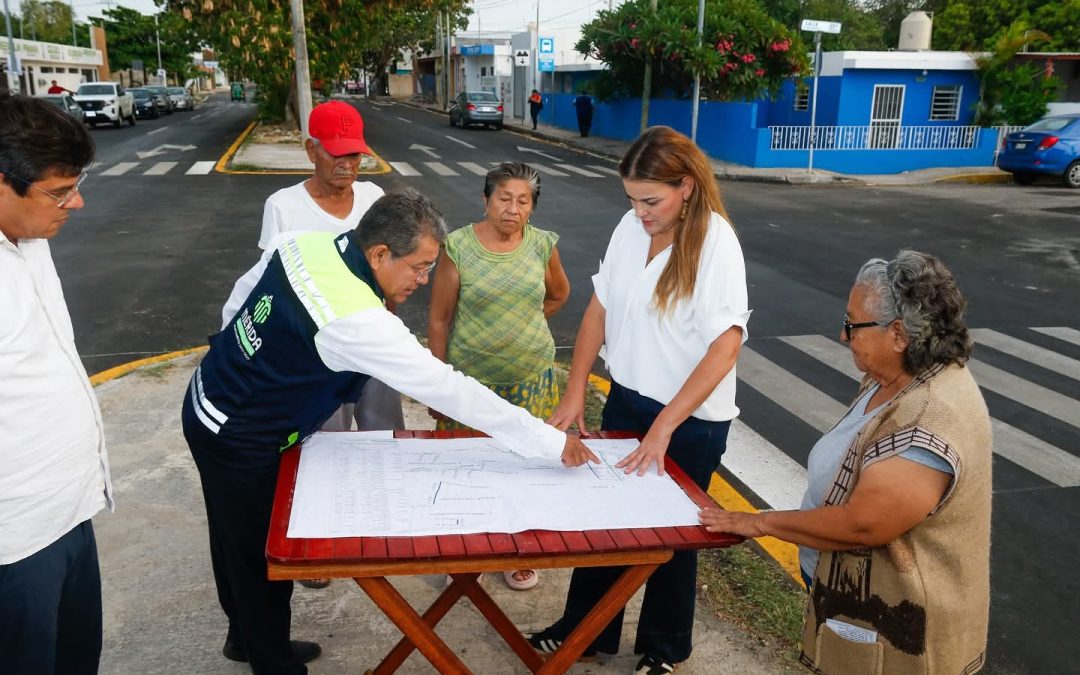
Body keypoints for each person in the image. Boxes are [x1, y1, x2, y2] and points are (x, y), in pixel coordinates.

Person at [183, 188, 598, 675]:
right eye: (419, 267)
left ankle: (246, 639)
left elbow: (239, 302)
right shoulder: (357, 318)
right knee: (259, 557)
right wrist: (551, 442)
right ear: (379, 253)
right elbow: (452, 390)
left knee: (231, 536)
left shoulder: (305, 243)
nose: (424, 280)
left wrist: (239, 360)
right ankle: (271, 661)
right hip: (236, 430)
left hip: (211, 395)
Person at [701, 251, 992, 675]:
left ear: (898, 334)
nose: (842, 334)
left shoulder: (930, 414)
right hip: (865, 602)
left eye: (853, 324)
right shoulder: (893, 379)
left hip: (899, 624)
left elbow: (862, 525)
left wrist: (758, 523)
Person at [529, 126, 749, 675]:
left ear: (687, 188)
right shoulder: (630, 229)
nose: (640, 211)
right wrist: (576, 388)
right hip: (627, 401)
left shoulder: (715, 243)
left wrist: (665, 428)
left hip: (690, 419)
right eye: (632, 199)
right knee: (605, 522)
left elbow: (726, 347)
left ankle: (664, 649)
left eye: (651, 200)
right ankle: (587, 630)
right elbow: (599, 310)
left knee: (673, 536)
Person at [0, 93, 110, 675]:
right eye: (59, 191)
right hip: (13, 542)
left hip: (70, 510)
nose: (77, 202)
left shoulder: (31, 238)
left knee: (75, 659)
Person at [428, 162, 570, 592]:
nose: (513, 208)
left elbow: (559, 294)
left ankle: (518, 548)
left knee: (525, 465)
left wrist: (520, 324)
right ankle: (465, 547)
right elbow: (439, 318)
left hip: (532, 377)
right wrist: (438, 384)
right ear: (486, 200)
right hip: (472, 380)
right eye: (504, 198)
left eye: (523, 201)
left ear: (532, 207)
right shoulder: (458, 246)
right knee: (466, 467)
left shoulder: (543, 245)